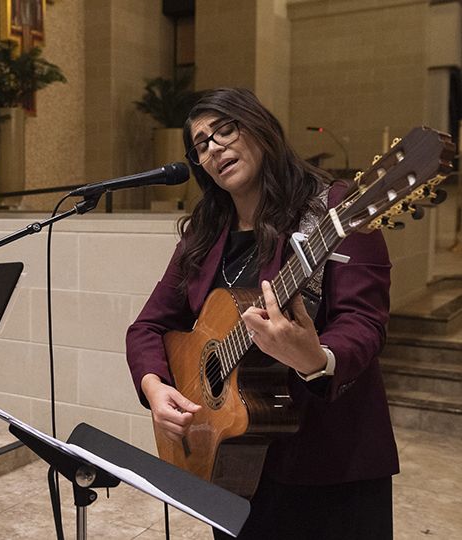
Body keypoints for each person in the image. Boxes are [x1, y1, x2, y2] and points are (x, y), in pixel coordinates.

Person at [125, 88, 397, 539]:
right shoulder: (203, 235)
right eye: (201, 145)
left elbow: (364, 322)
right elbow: (148, 327)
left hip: (328, 465)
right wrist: (155, 388)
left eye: (225, 130)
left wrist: (317, 358)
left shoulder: (335, 210)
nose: (213, 148)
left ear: (260, 126)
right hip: (230, 461)